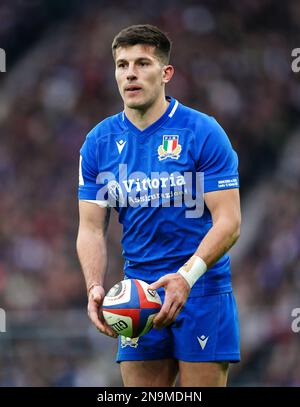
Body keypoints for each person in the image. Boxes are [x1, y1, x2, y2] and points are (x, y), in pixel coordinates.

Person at [76, 24, 241, 387]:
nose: (130, 73)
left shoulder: (203, 132)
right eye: (122, 65)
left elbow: (229, 221)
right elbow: (90, 228)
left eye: (142, 63)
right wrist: (93, 287)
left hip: (201, 291)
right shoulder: (98, 143)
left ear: (166, 73)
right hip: (138, 296)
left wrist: (186, 276)